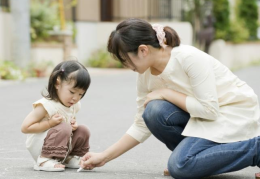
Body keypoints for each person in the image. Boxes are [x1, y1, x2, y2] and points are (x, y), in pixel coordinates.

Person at [80, 18, 260, 179]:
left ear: (143, 50)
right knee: (153, 112)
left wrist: (167, 93)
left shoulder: (188, 58)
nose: (126, 65)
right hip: (204, 119)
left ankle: (256, 149)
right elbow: (142, 124)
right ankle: (193, 160)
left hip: (233, 113)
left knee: (180, 167)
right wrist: (104, 156)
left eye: (125, 59)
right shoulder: (145, 74)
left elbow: (210, 110)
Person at [21, 60, 91, 172]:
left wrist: (73, 125)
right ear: (57, 83)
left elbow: (69, 120)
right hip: (41, 147)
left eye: (80, 94)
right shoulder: (46, 105)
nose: (75, 98)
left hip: (62, 145)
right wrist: (49, 123)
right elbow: (25, 127)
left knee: (83, 130)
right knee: (64, 127)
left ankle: (69, 158)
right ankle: (44, 160)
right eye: (72, 92)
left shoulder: (74, 105)